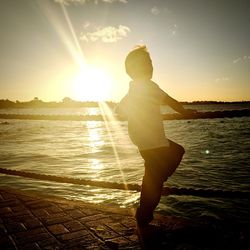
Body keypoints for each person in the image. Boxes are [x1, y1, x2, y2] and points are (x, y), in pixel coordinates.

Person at [116, 45, 196, 227]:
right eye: (148, 63)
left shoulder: (133, 88)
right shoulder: (149, 86)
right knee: (176, 153)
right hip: (152, 139)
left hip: (140, 138)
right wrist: (185, 112)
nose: (152, 66)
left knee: (152, 174)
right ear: (139, 68)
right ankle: (143, 215)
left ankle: (145, 211)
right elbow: (170, 101)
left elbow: (119, 109)